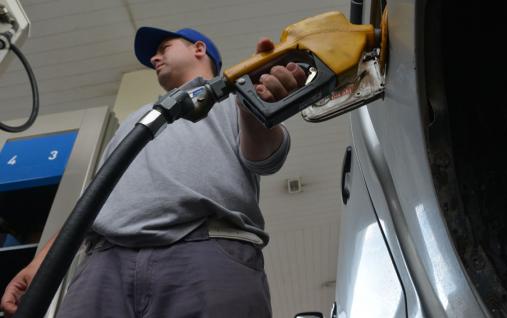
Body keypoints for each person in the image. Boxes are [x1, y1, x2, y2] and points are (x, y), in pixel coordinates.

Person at [1, 26, 306, 318]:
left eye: (163, 48)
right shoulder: (136, 122)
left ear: (199, 49)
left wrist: (255, 110)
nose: (154, 59)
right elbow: (93, 200)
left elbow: (266, 159)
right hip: (104, 267)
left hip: (205, 251)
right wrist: (40, 263)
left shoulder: (233, 97)